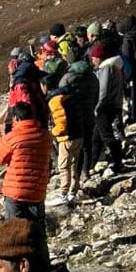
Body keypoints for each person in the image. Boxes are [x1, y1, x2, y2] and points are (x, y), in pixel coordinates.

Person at [0, 105, 51, 221]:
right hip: (37, 190)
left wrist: (2, 139)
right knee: (37, 230)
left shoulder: (12, 138)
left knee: (15, 230)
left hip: (15, 190)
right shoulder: (45, 136)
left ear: (16, 118)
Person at [58, 51, 98, 191]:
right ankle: (86, 172)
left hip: (73, 118)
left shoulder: (67, 78)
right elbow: (97, 97)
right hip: (89, 115)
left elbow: (60, 100)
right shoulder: (92, 76)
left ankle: (73, 177)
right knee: (87, 145)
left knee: (73, 150)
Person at [89, 42, 126, 173]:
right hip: (114, 104)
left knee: (105, 136)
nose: (92, 60)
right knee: (97, 137)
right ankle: (92, 164)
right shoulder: (115, 67)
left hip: (104, 107)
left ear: (99, 57)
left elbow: (103, 90)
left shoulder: (106, 68)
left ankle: (117, 161)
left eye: (94, 57)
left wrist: (97, 106)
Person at [48, 69, 81, 204]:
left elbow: (61, 124)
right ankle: (73, 192)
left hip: (67, 137)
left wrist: (51, 134)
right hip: (79, 134)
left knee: (63, 166)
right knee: (74, 165)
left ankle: (63, 193)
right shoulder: (71, 96)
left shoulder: (55, 101)